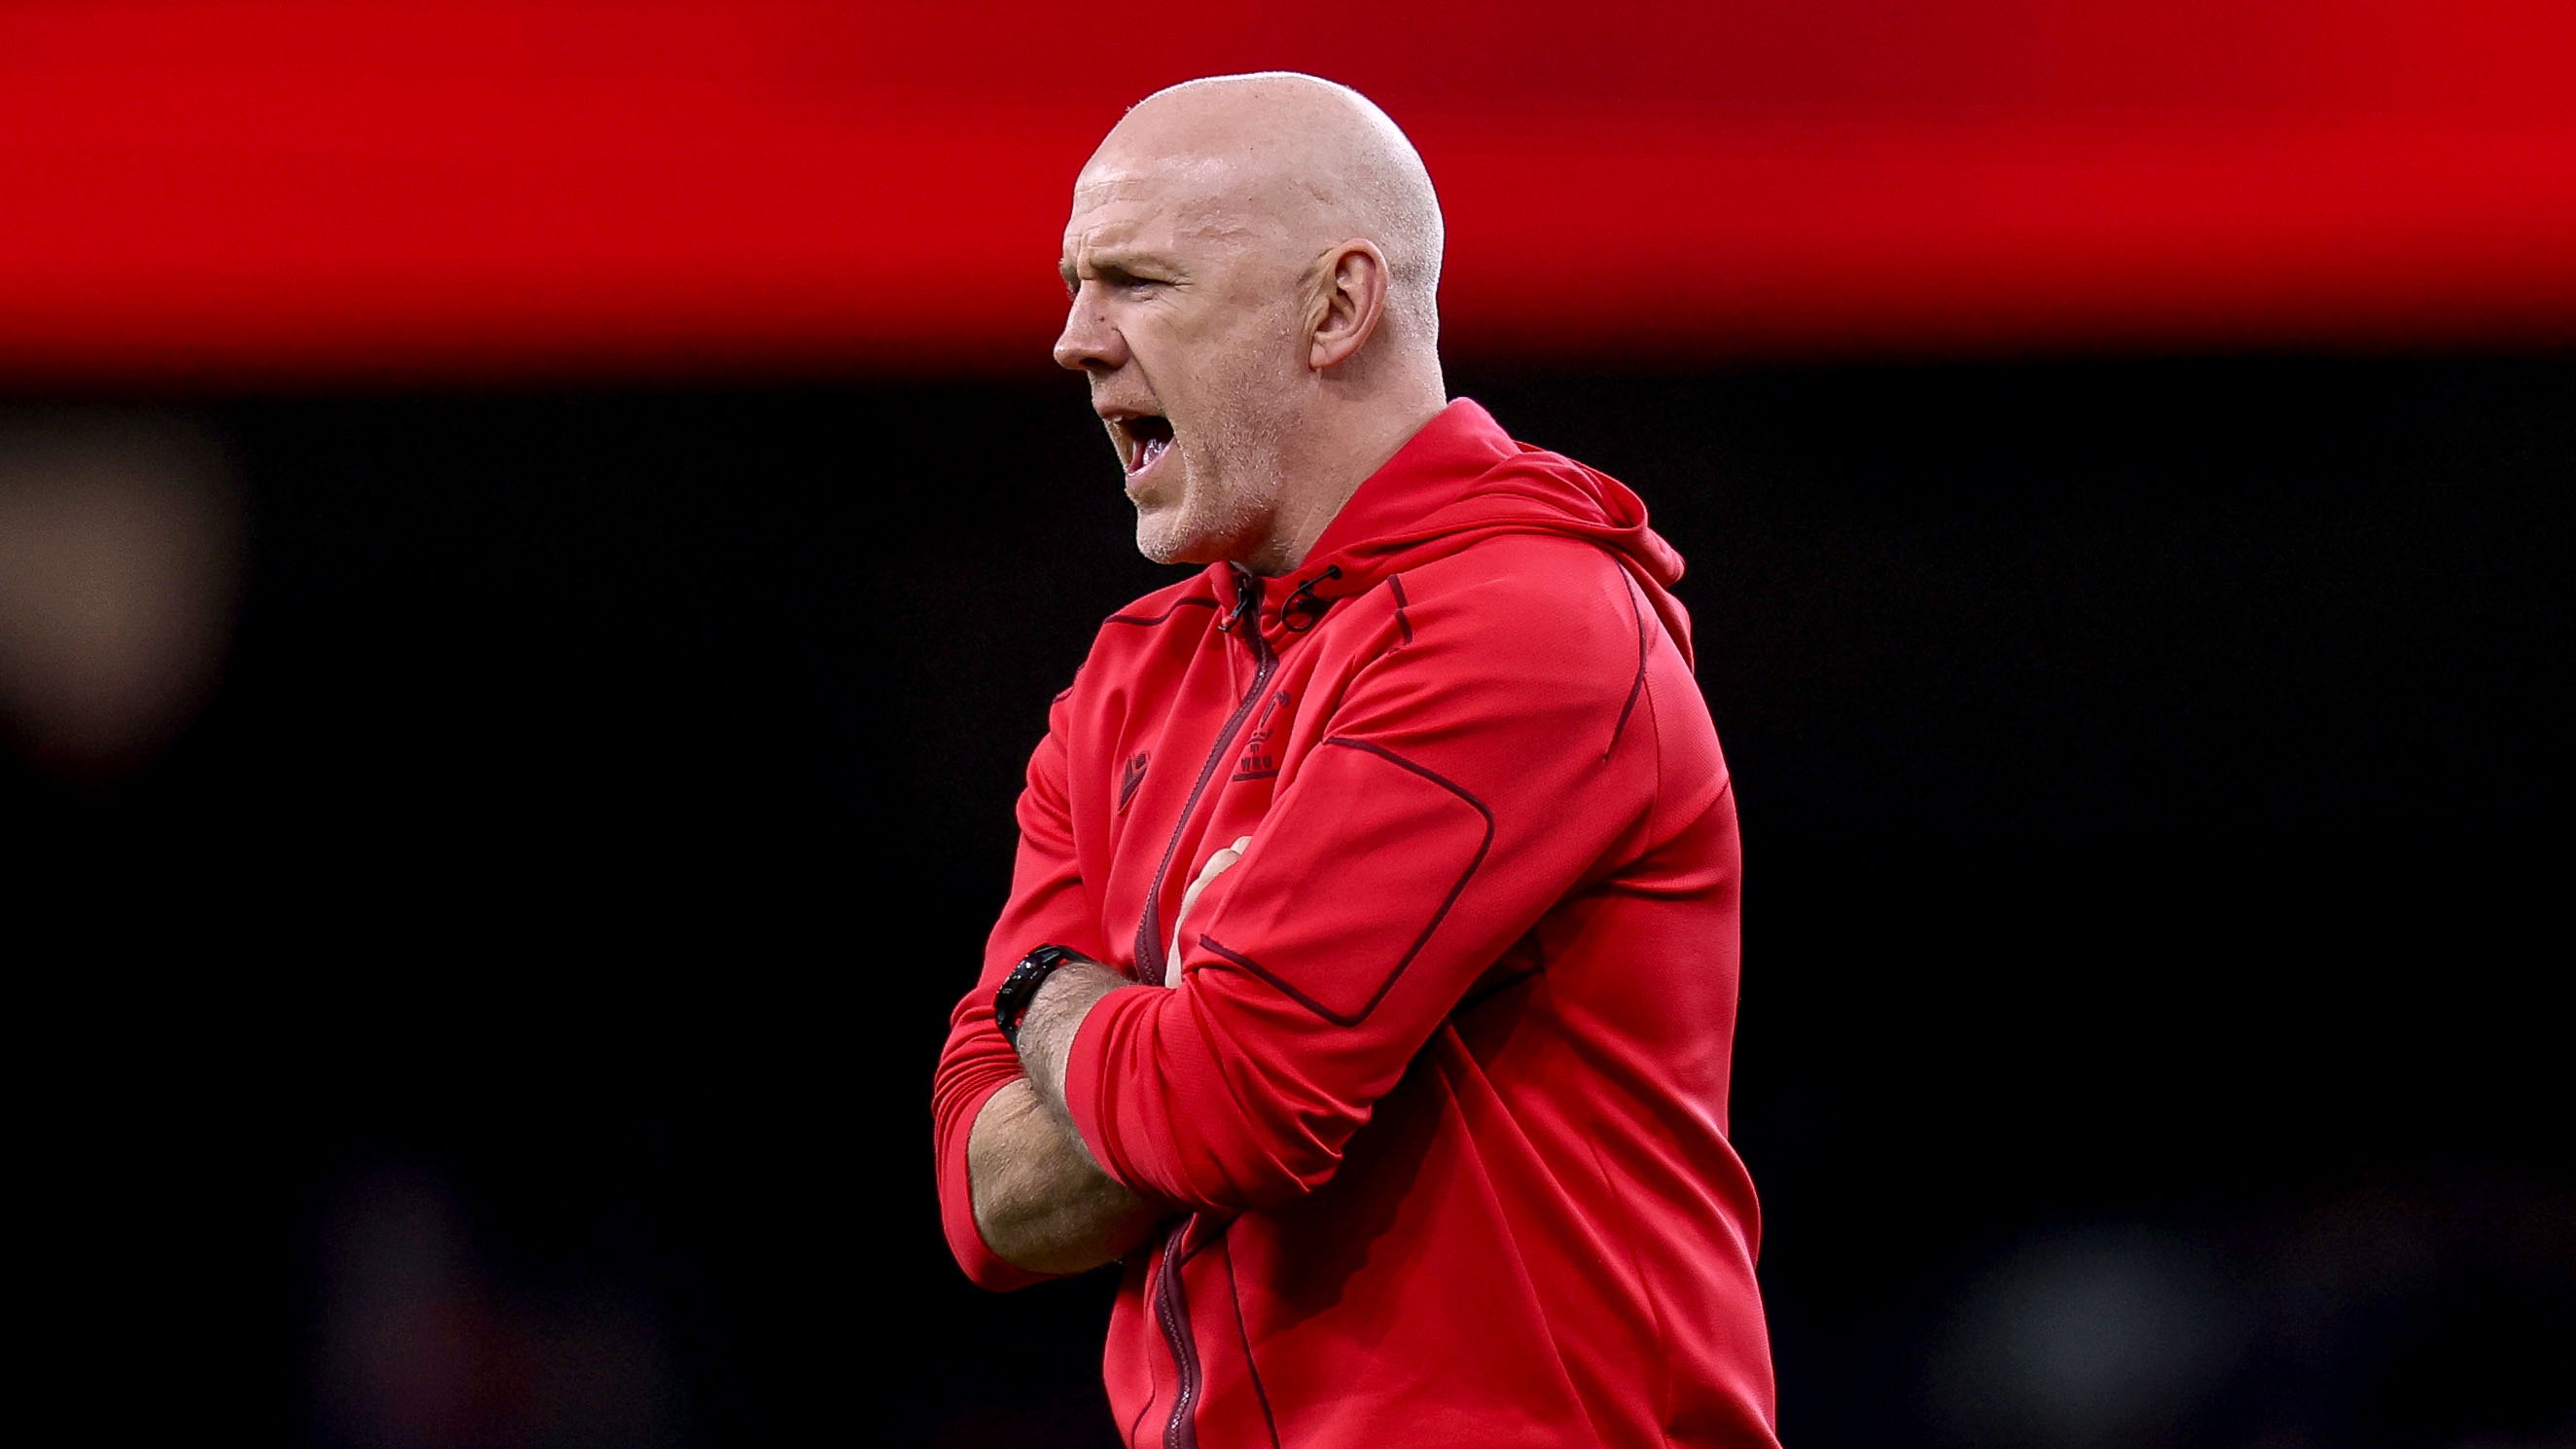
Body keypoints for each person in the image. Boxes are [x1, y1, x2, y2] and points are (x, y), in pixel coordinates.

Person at [931, 71, 1782, 1448]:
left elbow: (1229, 1110)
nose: (1073, 342)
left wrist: (1045, 995)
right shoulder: (1130, 675)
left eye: (1137, 284)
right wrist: (1156, 1048)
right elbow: (987, 1199)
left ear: (1337, 306)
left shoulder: (1526, 625)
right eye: (1078, 286)